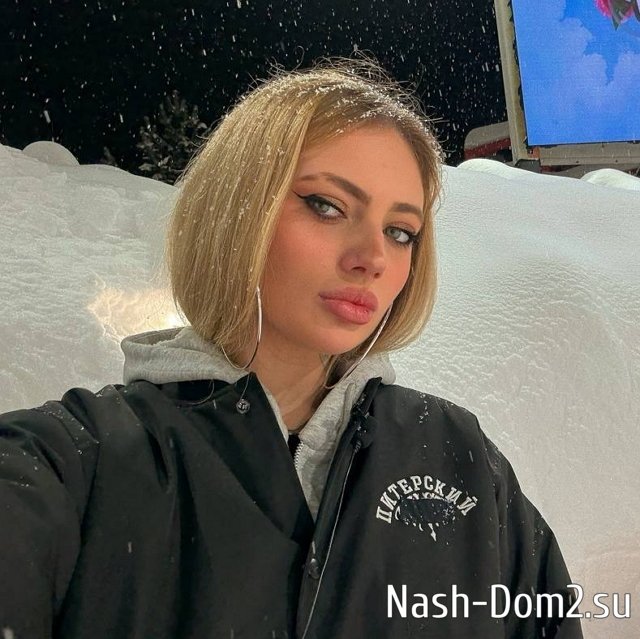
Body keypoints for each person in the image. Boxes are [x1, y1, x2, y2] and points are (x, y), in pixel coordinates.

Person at [0, 58, 582, 639]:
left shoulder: (462, 457)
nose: (373, 258)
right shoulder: (72, 463)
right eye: (327, 205)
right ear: (235, 211)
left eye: (399, 231)